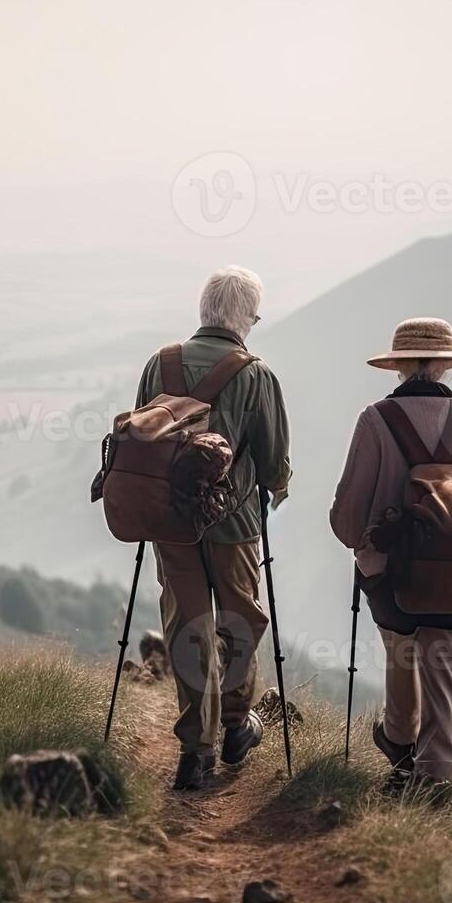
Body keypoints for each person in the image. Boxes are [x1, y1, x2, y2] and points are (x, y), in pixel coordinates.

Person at [329, 317, 452, 792]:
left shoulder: (375, 420)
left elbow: (349, 519)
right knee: (448, 660)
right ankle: (437, 775)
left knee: (402, 646)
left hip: (391, 574)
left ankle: (399, 739)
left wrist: (361, 543)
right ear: (447, 367)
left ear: (399, 367)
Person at [135, 267, 292, 790]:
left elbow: (141, 437)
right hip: (234, 522)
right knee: (239, 619)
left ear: (205, 311)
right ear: (246, 317)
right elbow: (273, 460)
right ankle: (236, 726)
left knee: (187, 626)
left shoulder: (160, 364)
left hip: (168, 521)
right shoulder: (256, 374)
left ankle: (194, 752)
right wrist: (278, 488)